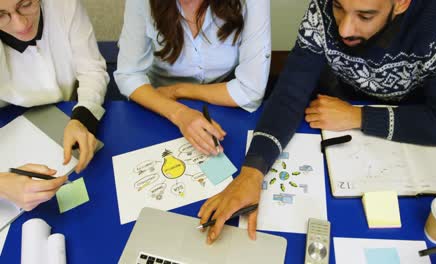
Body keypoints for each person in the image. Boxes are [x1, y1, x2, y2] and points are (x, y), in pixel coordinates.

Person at [199, 0, 436, 244]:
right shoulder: (323, 8)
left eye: (365, 16)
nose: (344, 29)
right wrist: (252, 173)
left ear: (400, 4)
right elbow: (290, 94)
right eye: (339, 8)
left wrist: (358, 117)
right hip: (334, 103)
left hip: (407, 120)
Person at [114, 0, 271, 156]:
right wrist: (180, 114)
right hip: (158, 101)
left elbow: (250, 89)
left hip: (222, 99)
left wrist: (178, 90)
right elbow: (129, 75)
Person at [0, 0, 109, 210]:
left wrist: (82, 118)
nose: (21, 25)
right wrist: (3, 185)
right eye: (1, 15)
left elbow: (92, 70)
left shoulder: (64, 5)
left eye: (26, 4)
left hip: (67, 111)